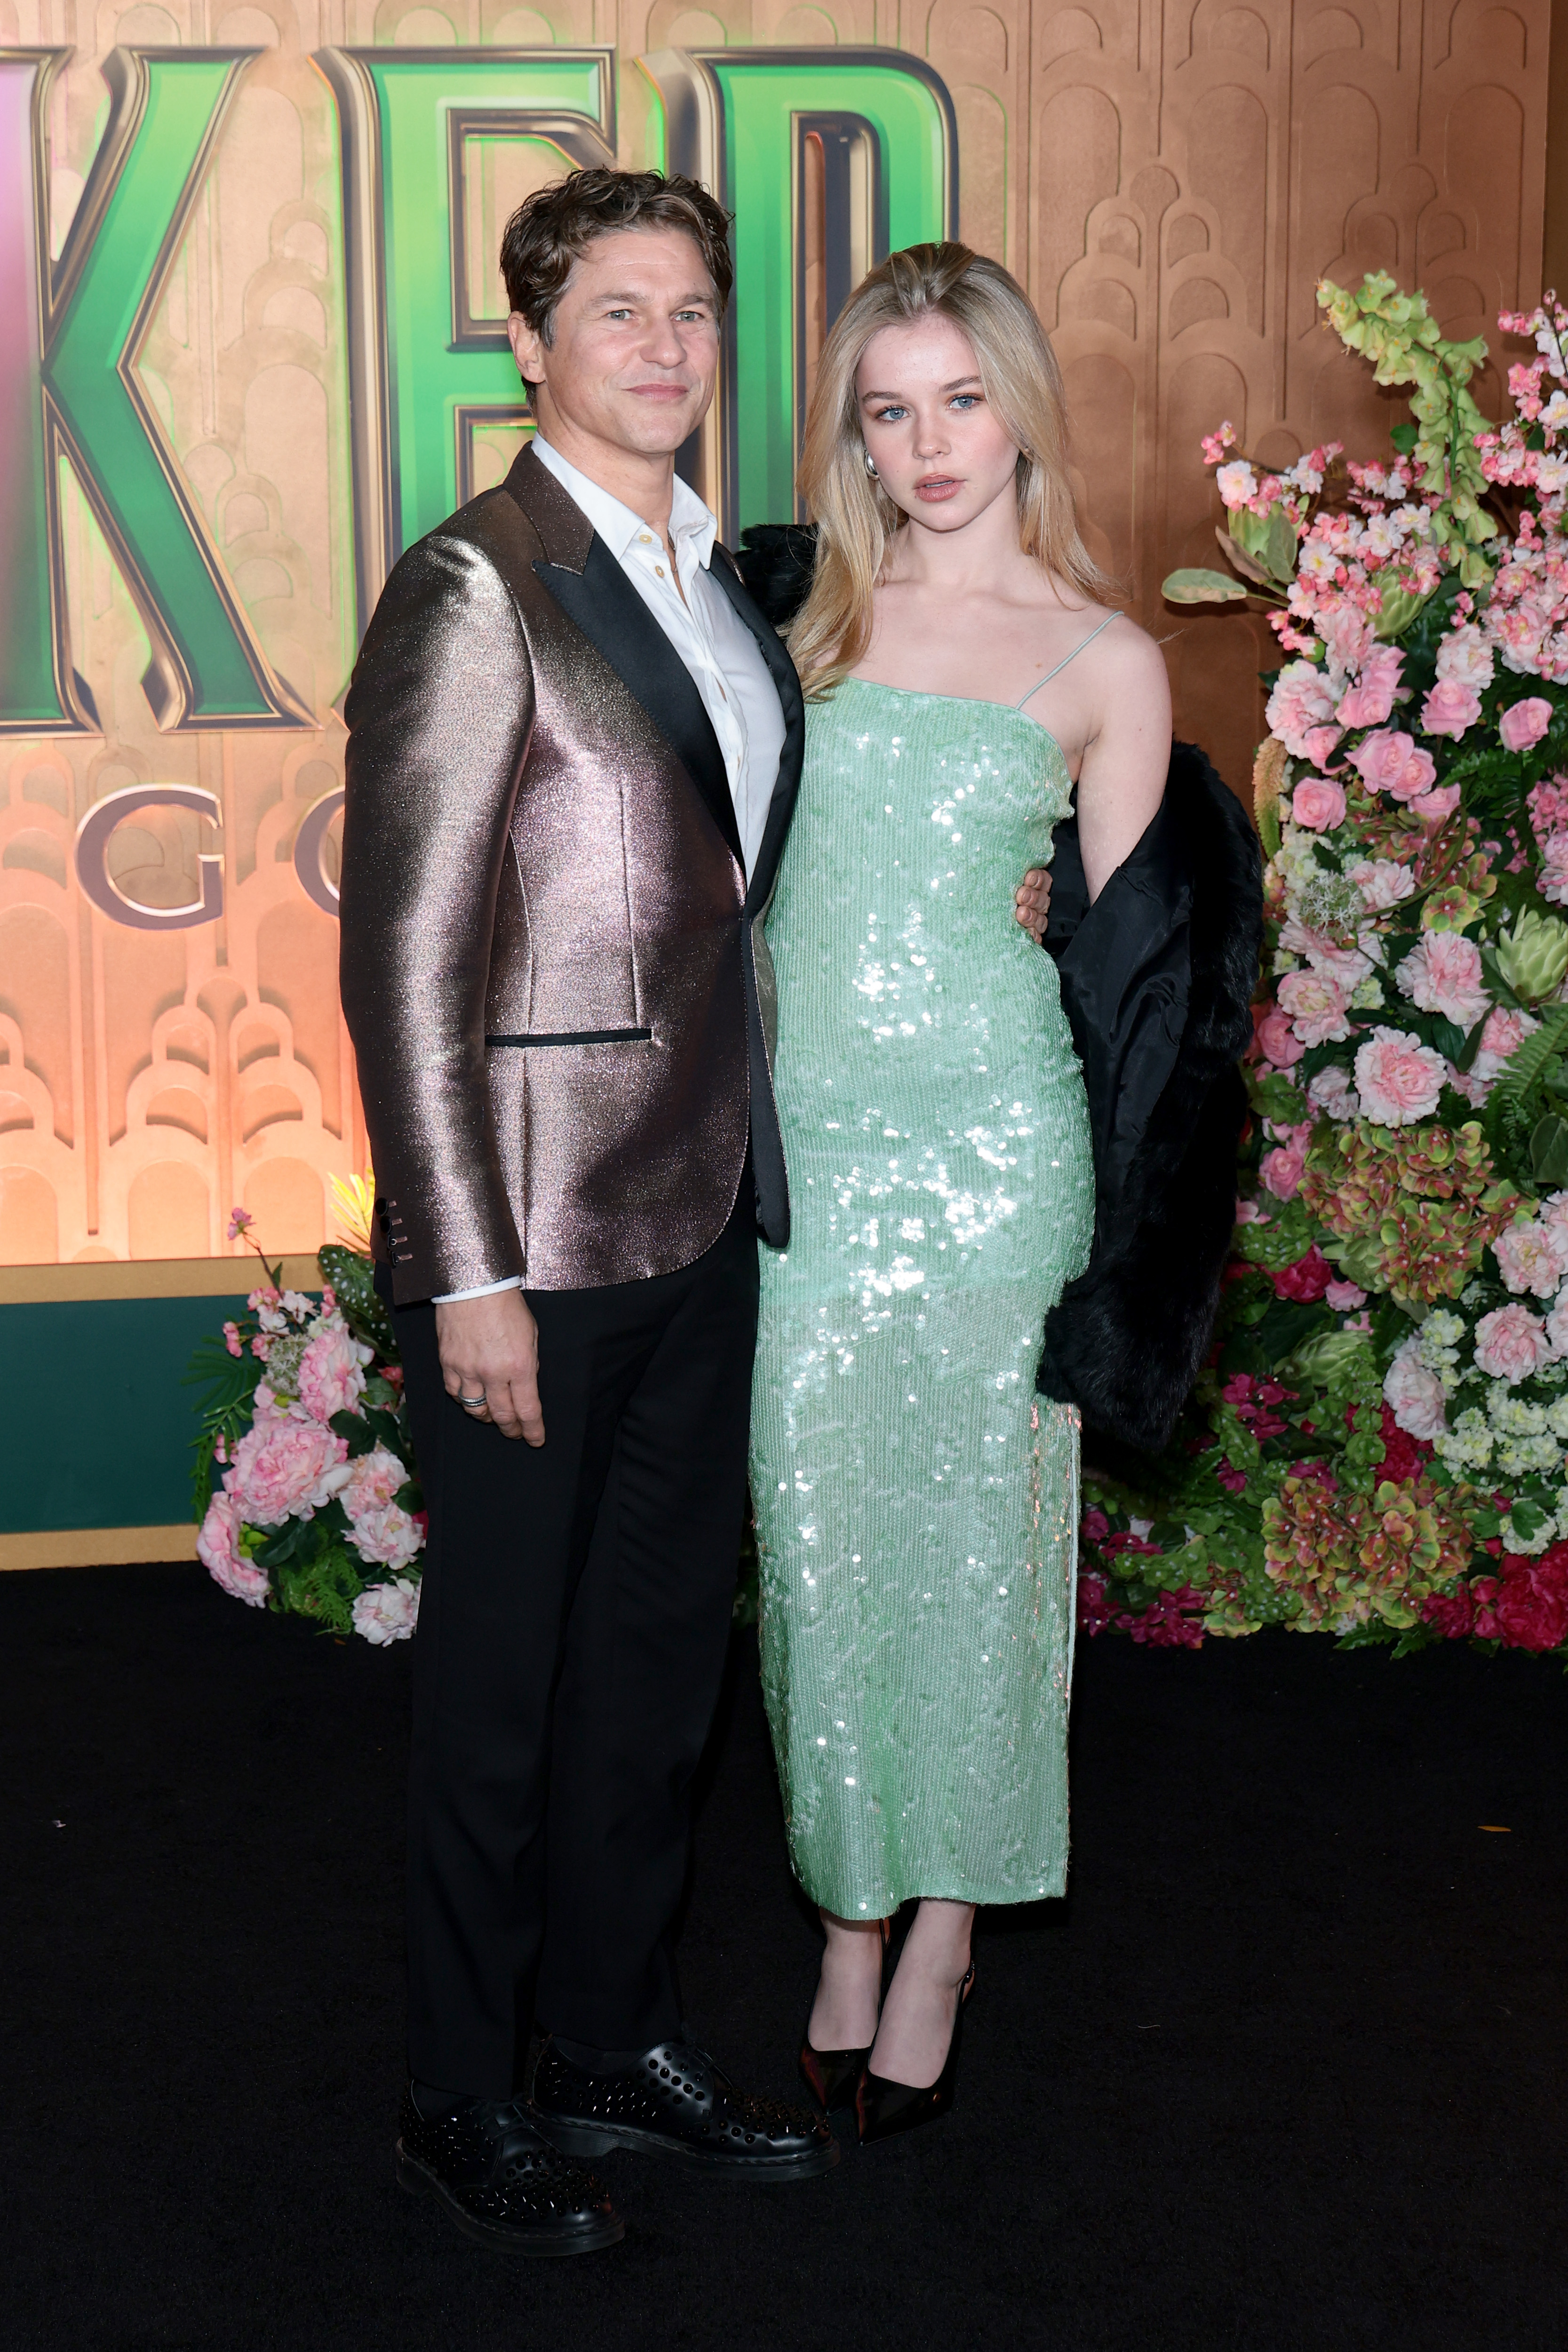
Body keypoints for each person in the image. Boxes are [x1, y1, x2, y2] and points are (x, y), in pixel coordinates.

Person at [338, 167, 838, 2258]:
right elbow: (407, 948)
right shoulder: (480, 582)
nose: (664, 344)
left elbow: (734, 877)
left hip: (712, 1213)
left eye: (696, 310)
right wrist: (466, 1267)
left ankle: (609, 2035)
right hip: (532, 1250)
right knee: (502, 1690)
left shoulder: (721, 581)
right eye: (617, 308)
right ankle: (461, 2081)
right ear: (530, 342)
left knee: (652, 1673)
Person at [747, 241, 1176, 2143]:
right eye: (889, 409)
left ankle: (937, 1931)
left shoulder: (1110, 660)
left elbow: (1138, 971)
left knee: (982, 1562)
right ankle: (843, 1904)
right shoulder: (794, 626)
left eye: (961, 400)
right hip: (811, 1162)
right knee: (825, 1551)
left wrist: (1049, 897)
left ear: (1020, 407)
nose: (928, 446)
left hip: (1001, 1158)